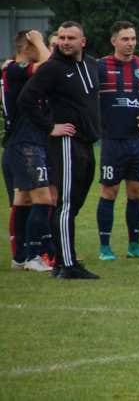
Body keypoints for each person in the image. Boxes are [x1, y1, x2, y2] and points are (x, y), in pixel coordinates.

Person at [18, 21, 101, 279]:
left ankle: (61, 261)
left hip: (87, 144)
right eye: (62, 37)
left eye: (71, 38)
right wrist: (50, 127)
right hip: (66, 143)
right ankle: (67, 264)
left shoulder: (91, 65)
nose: (65, 42)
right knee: (65, 205)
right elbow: (26, 100)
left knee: (73, 204)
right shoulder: (52, 68)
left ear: (82, 41)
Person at [95, 21, 139, 261]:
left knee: (136, 191)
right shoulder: (100, 67)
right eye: (125, 39)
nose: (130, 43)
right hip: (112, 141)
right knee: (109, 190)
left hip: (136, 141)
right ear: (114, 41)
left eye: (133, 39)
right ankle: (104, 246)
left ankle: (135, 245)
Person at [2, 30, 54, 272]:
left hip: (25, 141)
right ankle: (33, 255)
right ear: (28, 47)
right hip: (25, 144)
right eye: (36, 45)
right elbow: (48, 66)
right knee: (43, 197)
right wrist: (40, 41)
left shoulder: (15, 69)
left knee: (22, 199)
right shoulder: (15, 68)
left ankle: (20, 257)